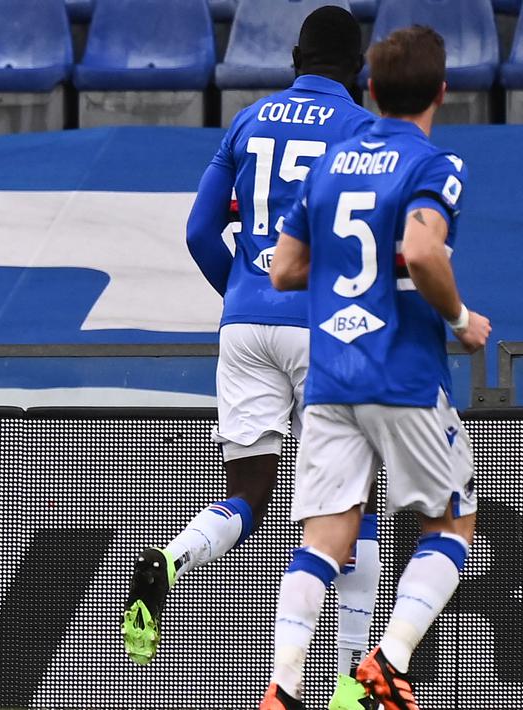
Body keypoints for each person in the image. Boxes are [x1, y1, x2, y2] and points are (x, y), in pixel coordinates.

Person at [124, 7, 381, 708]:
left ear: (294, 56)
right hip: (324, 329)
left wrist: (241, 291)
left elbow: (199, 230)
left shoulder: (248, 120)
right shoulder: (363, 130)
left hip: (244, 326)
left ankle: (170, 558)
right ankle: (349, 685)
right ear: (358, 69)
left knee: (249, 492)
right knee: (352, 508)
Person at [260, 25, 488, 710]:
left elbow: (282, 270)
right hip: (403, 375)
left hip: (330, 377)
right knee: (452, 523)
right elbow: (422, 251)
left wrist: (343, 278)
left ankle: (282, 686)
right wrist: (458, 320)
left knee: (322, 540)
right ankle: (386, 664)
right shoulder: (433, 165)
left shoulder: (327, 165)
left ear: (369, 90)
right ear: (441, 93)